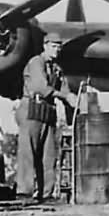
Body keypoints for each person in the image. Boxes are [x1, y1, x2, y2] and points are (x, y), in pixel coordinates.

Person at [15, 32, 77, 202]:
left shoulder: (57, 68)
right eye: (54, 46)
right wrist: (65, 97)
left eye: (59, 47)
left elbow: (64, 88)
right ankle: (24, 192)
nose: (57, 50)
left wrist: (72, 98)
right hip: (32, 109)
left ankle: (46, 193)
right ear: (45, 46)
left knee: (49, 156)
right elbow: (40, 87)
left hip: (48, 112)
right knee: (28, 152)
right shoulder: (36, 62)